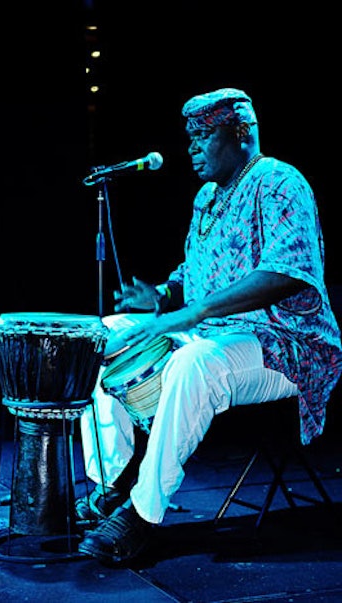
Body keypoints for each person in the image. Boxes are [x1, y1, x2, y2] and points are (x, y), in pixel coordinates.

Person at [77, 87, 342, 565]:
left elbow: (286, 272)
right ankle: (112, 485)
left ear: (240, 133)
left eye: (202, 135)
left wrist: (192, 314)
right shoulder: (206, 198)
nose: (192, 147)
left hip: (286, 343)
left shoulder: (280, 182)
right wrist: (161, 295)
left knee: (192, 364)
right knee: (102, 336)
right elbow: (195, 271)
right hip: (219, 332)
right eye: (189, 137)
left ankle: (143, 514)